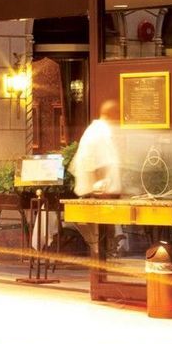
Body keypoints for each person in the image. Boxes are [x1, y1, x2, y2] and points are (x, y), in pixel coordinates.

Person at [71, 99, 122, 266]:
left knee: (101, 244)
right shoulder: (100, 133)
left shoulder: (97, 131)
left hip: (99, 194)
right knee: (100, 244)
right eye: (119, 115)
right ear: (113, 114)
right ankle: (102, 278)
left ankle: (103, 275)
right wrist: (100, 189)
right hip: (98, 196)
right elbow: (92, 163)